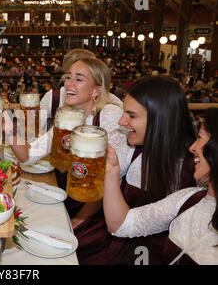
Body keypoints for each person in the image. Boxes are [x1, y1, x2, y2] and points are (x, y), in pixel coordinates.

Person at [77, 76, 197, 264]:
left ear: (161, 119)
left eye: (131, 115)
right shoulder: (133, 149)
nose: (121, 122)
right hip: (111, 238)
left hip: (147, 256)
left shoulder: (192, 171)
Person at [9, 57, 132, 227]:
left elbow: (110, 179)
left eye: (79, 79)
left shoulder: (109, 115)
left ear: (96, 91)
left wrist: (78, 221)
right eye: (68, 77)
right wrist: (8, 130)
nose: (68, 84)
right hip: (68, 197)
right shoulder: (68, 116)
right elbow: (28, 155)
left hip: (98, 211)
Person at [104, 108, 218, 265]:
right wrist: (111, 172)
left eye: (199, 138)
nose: (192, 147)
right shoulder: (190, 198)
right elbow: (120, 224)